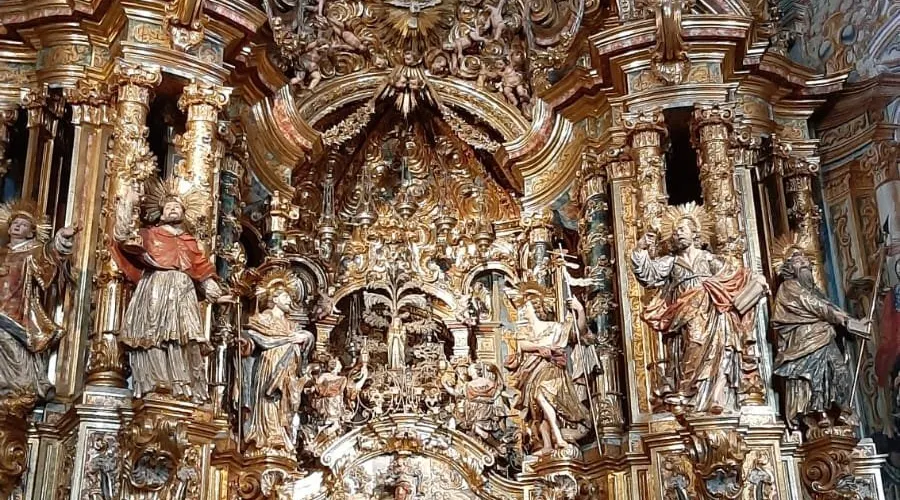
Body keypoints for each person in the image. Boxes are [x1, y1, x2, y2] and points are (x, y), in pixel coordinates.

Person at [631, 202, 766, 414]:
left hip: (713, 313)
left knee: (720, 350)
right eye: (675, 232)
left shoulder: (708, 259)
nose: (677, 234)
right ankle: (686, 392)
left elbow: (734, 277)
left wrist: (756, 280)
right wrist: (641, 249)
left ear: (695, 233)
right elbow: (648, 275)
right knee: (692, 346)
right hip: (685, 315)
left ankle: (715, 397)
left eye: (682, 229)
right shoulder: (671, 262)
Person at [112, 178, 233, 402]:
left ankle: (182, 383)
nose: (173, 209)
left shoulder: (189, 241)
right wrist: (128, 202)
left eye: (177, 206)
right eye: (168, 207)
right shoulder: (150, 235)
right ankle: (156, 380)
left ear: (185, 212)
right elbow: (123, 236)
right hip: (157, 286)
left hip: (184, 293)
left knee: (184, 337)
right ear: (161, 213)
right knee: (154, 333)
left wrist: (215, 292)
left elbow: (200, 269)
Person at [770, 233, 869, 428]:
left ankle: (842, 411)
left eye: (805, 259)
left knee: (839, 371)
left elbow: (828, 306)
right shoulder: (789, 287)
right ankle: (819, 413)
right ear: (789, 268)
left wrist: (855, 322)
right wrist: (839, 317)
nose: (804, 262)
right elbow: (814, 305)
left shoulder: (814, 290)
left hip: (824, 336)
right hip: (805, 339)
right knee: (814, 376)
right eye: (797, 261)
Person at [0, 200, 75, 410]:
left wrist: (61, 239)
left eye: (23, 224)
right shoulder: (2, 253)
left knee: (9, 341)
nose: (17, 226)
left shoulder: (33, 251)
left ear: (31, 232)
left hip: (17, 311)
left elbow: (49, 254)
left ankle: (22, 384)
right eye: (15, 223)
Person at [504, 283, 590, 456]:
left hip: (551, 369)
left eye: (526, 307)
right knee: (539, 411)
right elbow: (522, 344)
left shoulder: (555, 327)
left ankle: (559, 437)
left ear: (536, 306)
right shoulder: (526, 331)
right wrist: (539, 347)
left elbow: (578, 331)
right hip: (532, 371)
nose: (523, 311)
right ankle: (547, 444)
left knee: (542, 395)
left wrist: (580, 310)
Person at [242, 268, 314, 456]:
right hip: (270, 366)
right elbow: (253, 338)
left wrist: (306, 337)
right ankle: (267, 436)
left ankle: (281, 435)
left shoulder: (291, 325)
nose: (289, 300)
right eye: (285, 297)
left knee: (285, 403)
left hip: (289, 372)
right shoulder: (262, 319)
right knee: (268, 400)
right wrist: (246, 344)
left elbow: (305, 342)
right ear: (274, 298)